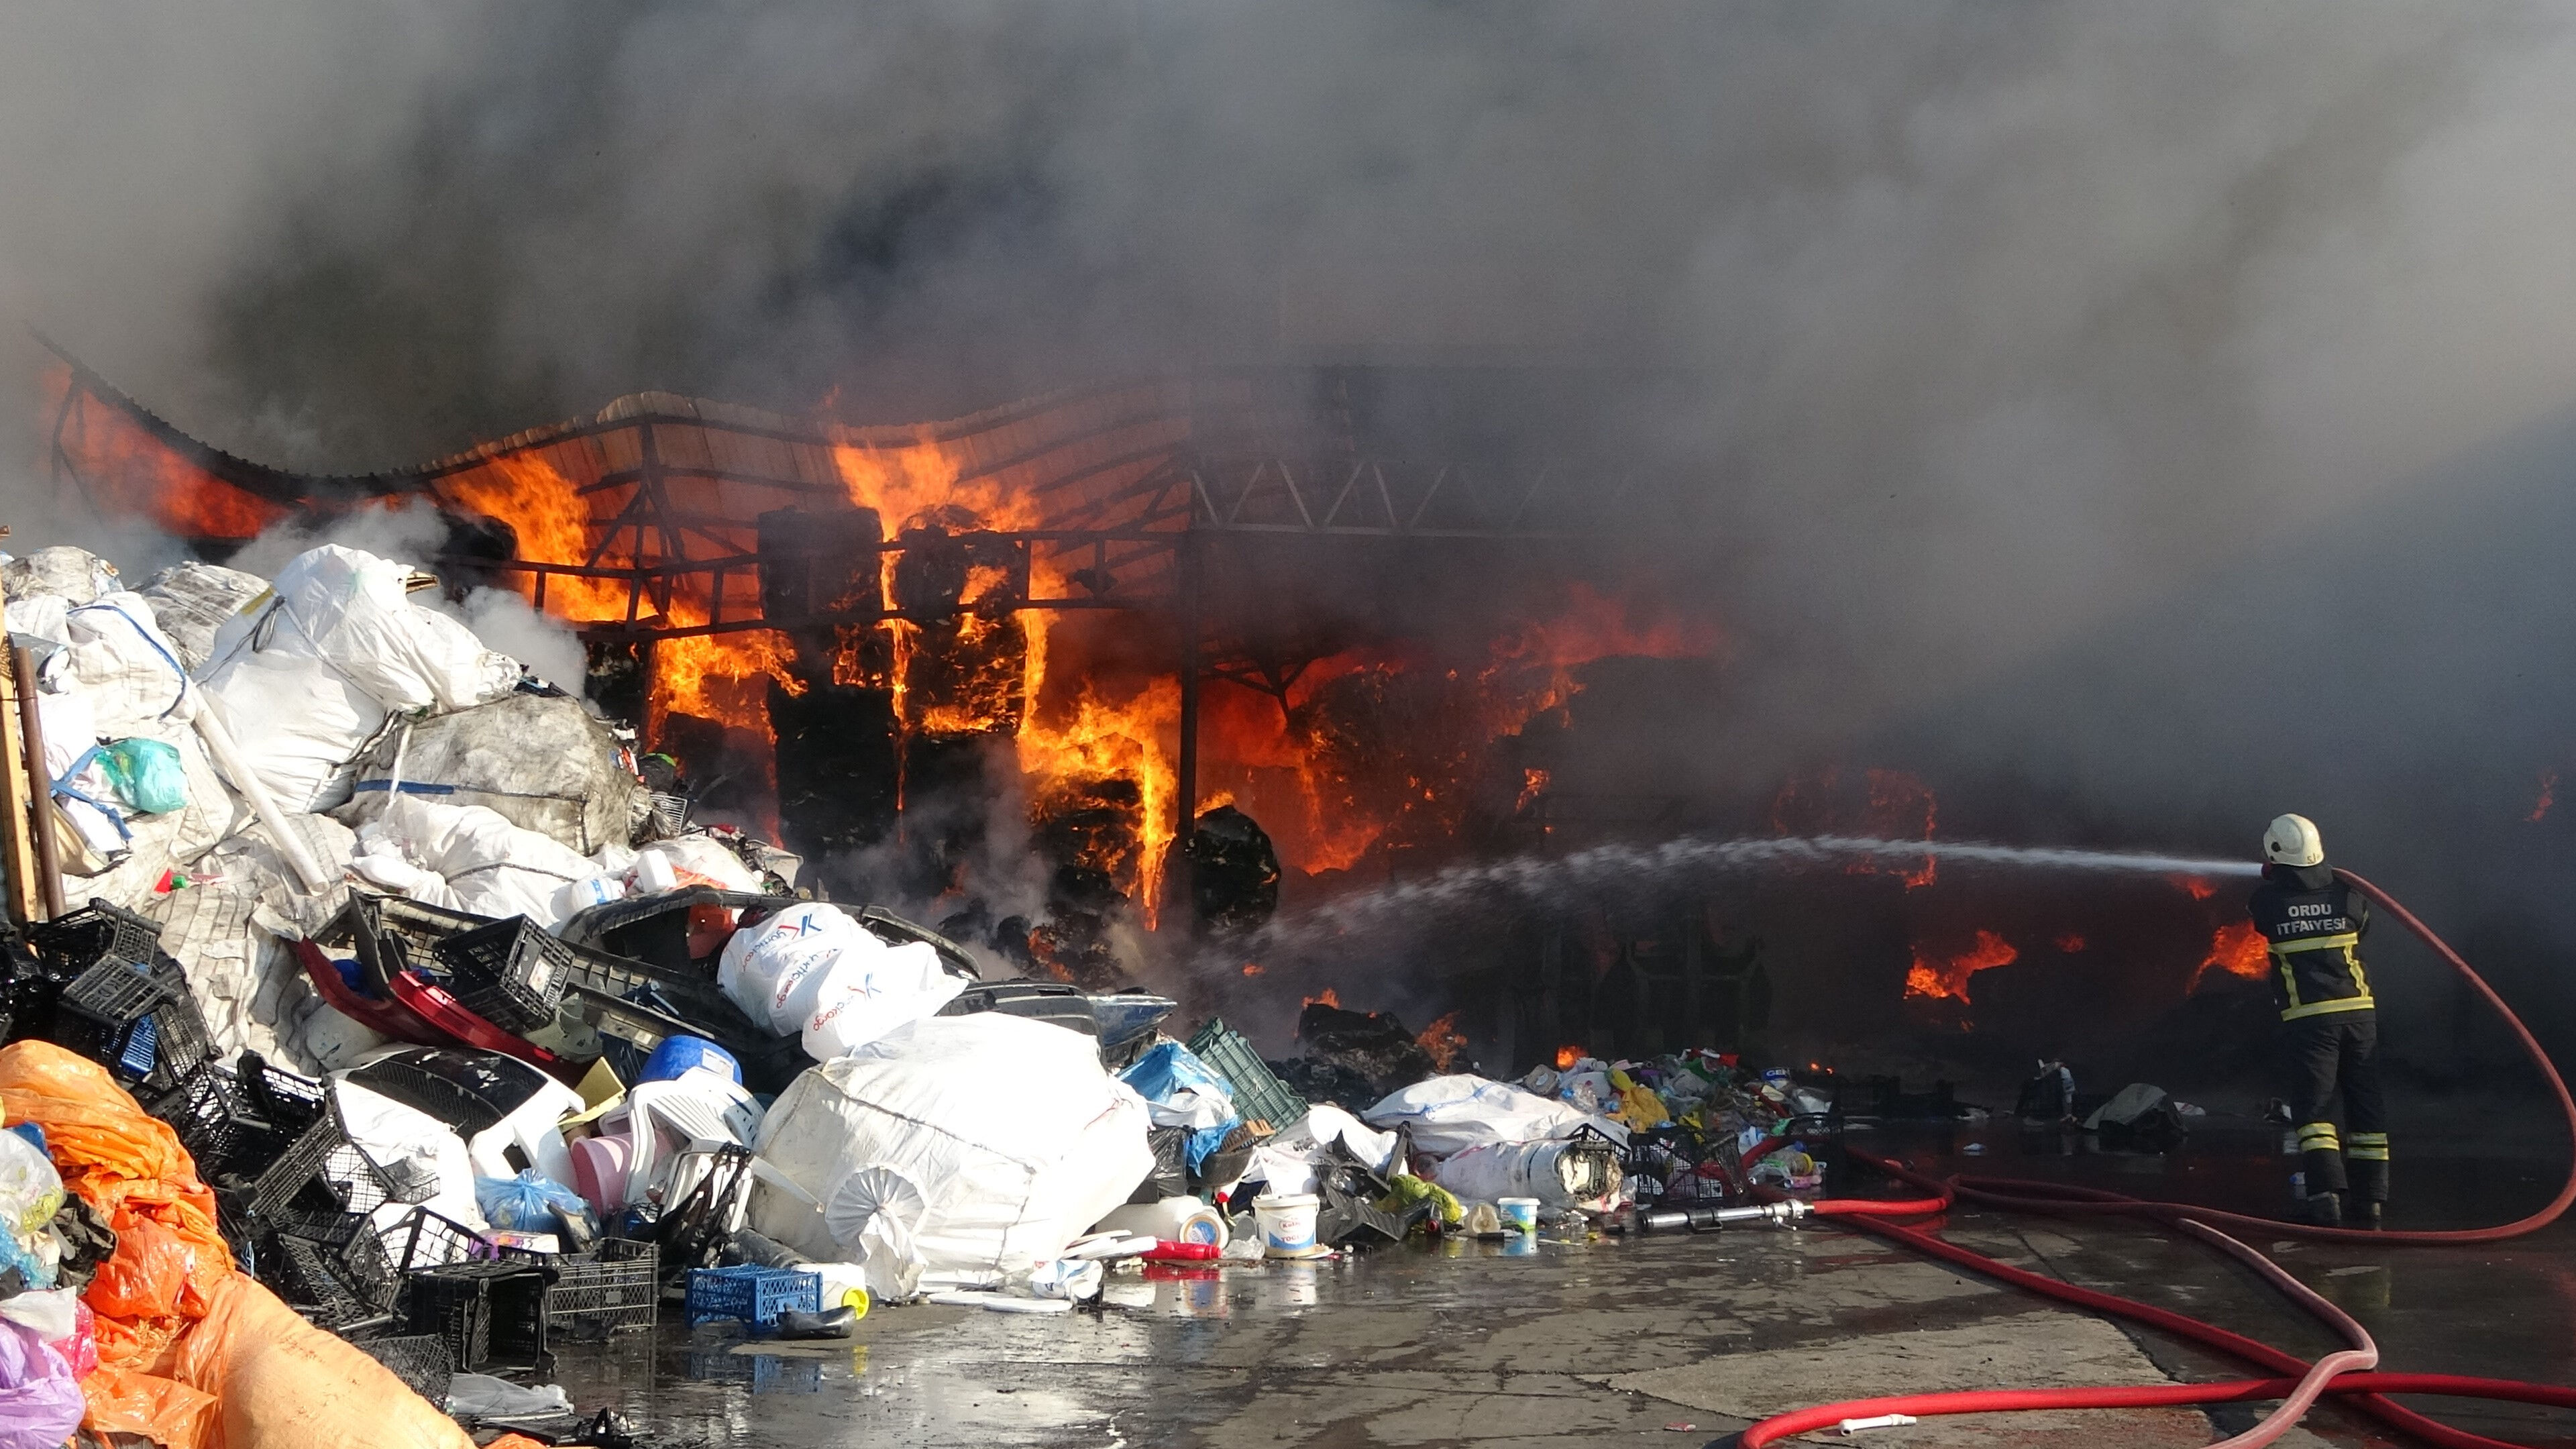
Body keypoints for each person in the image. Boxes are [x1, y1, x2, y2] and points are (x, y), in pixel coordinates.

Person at [2247, 813, 2387, 1228]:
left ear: (2275, 854)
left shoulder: (2268, 902)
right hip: (2360, 1015)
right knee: (2365, 1106)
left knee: (2315, 1108)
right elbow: (2364, 926)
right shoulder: (2349, 896)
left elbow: (2261, 919)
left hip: (2311, 1020)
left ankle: (2325, 1199)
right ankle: (2371, 1202)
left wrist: (2276, 879)